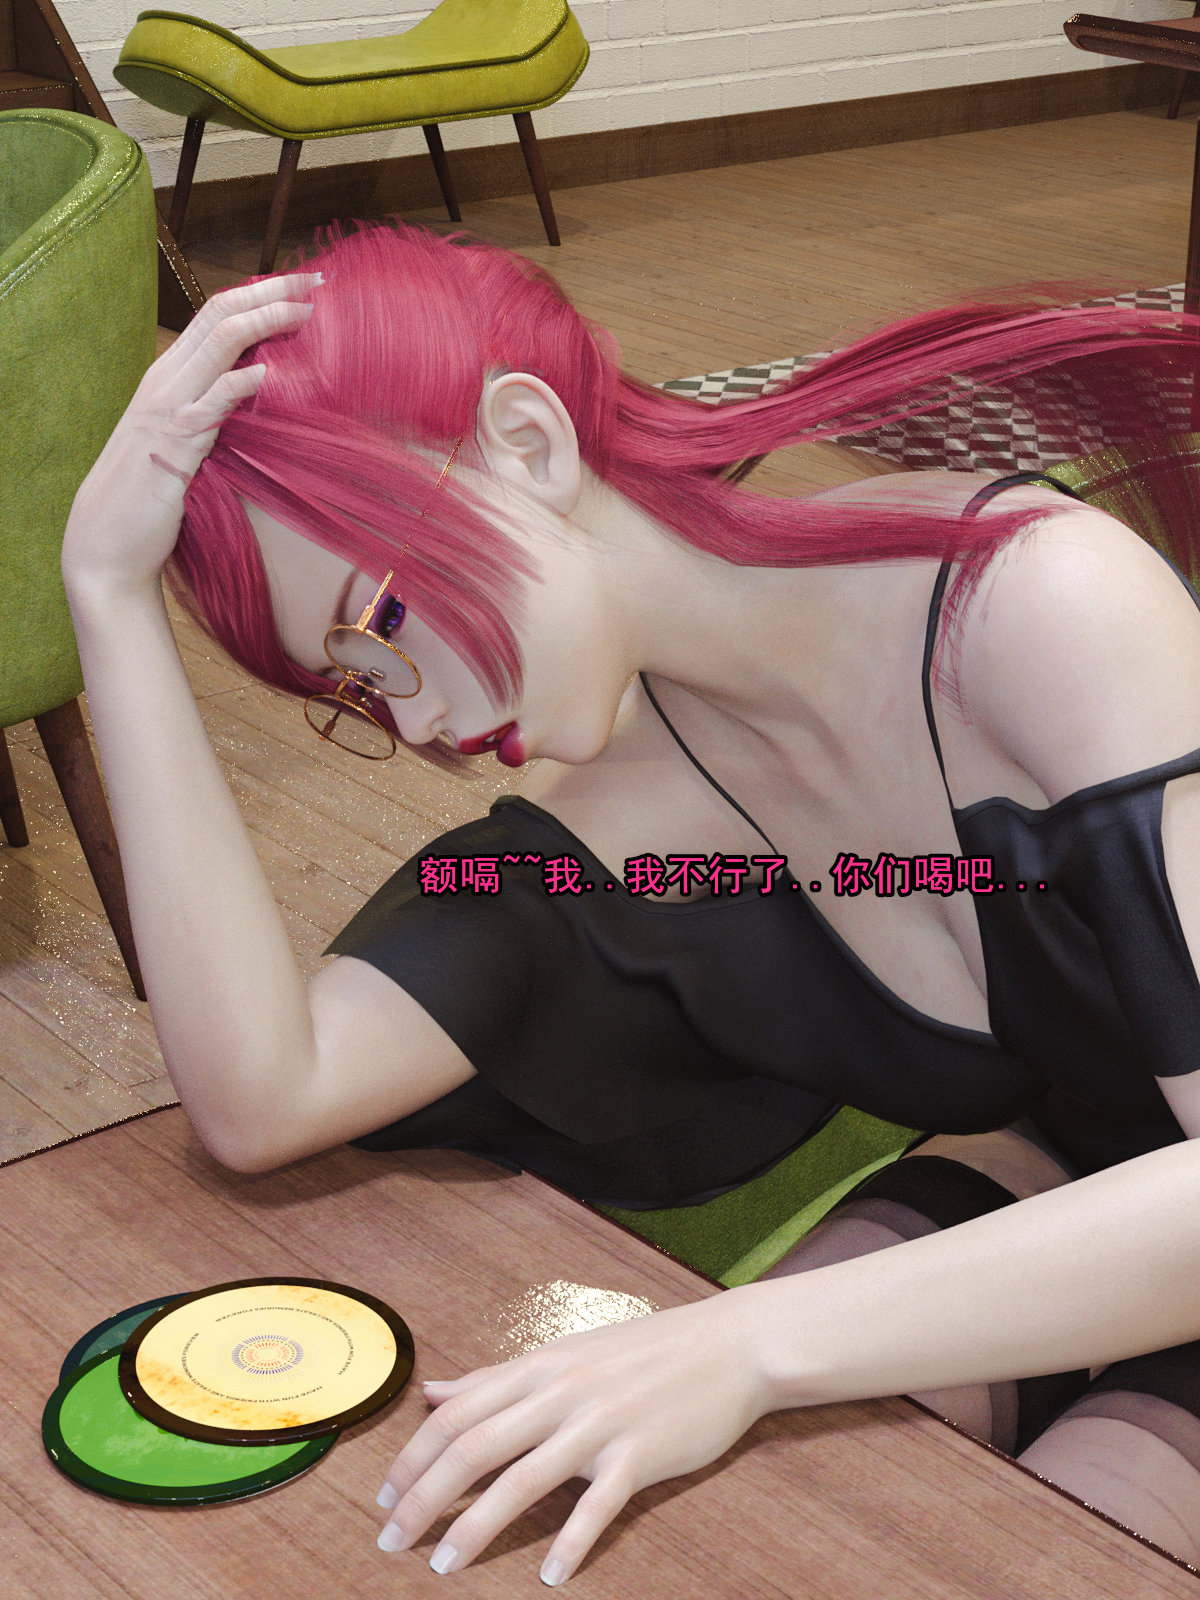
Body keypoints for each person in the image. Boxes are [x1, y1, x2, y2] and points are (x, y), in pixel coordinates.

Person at [61, 220, 1200, 1584]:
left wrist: (739, 1344)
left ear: (528, 443)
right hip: (1076, 1172)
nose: (412, 721)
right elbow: (262, 1098)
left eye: (380, 627)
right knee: (801, 1522)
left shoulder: (1040, 605)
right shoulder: (629, 835)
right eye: (354, 691)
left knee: (1034, 1533)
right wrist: (106, 598)